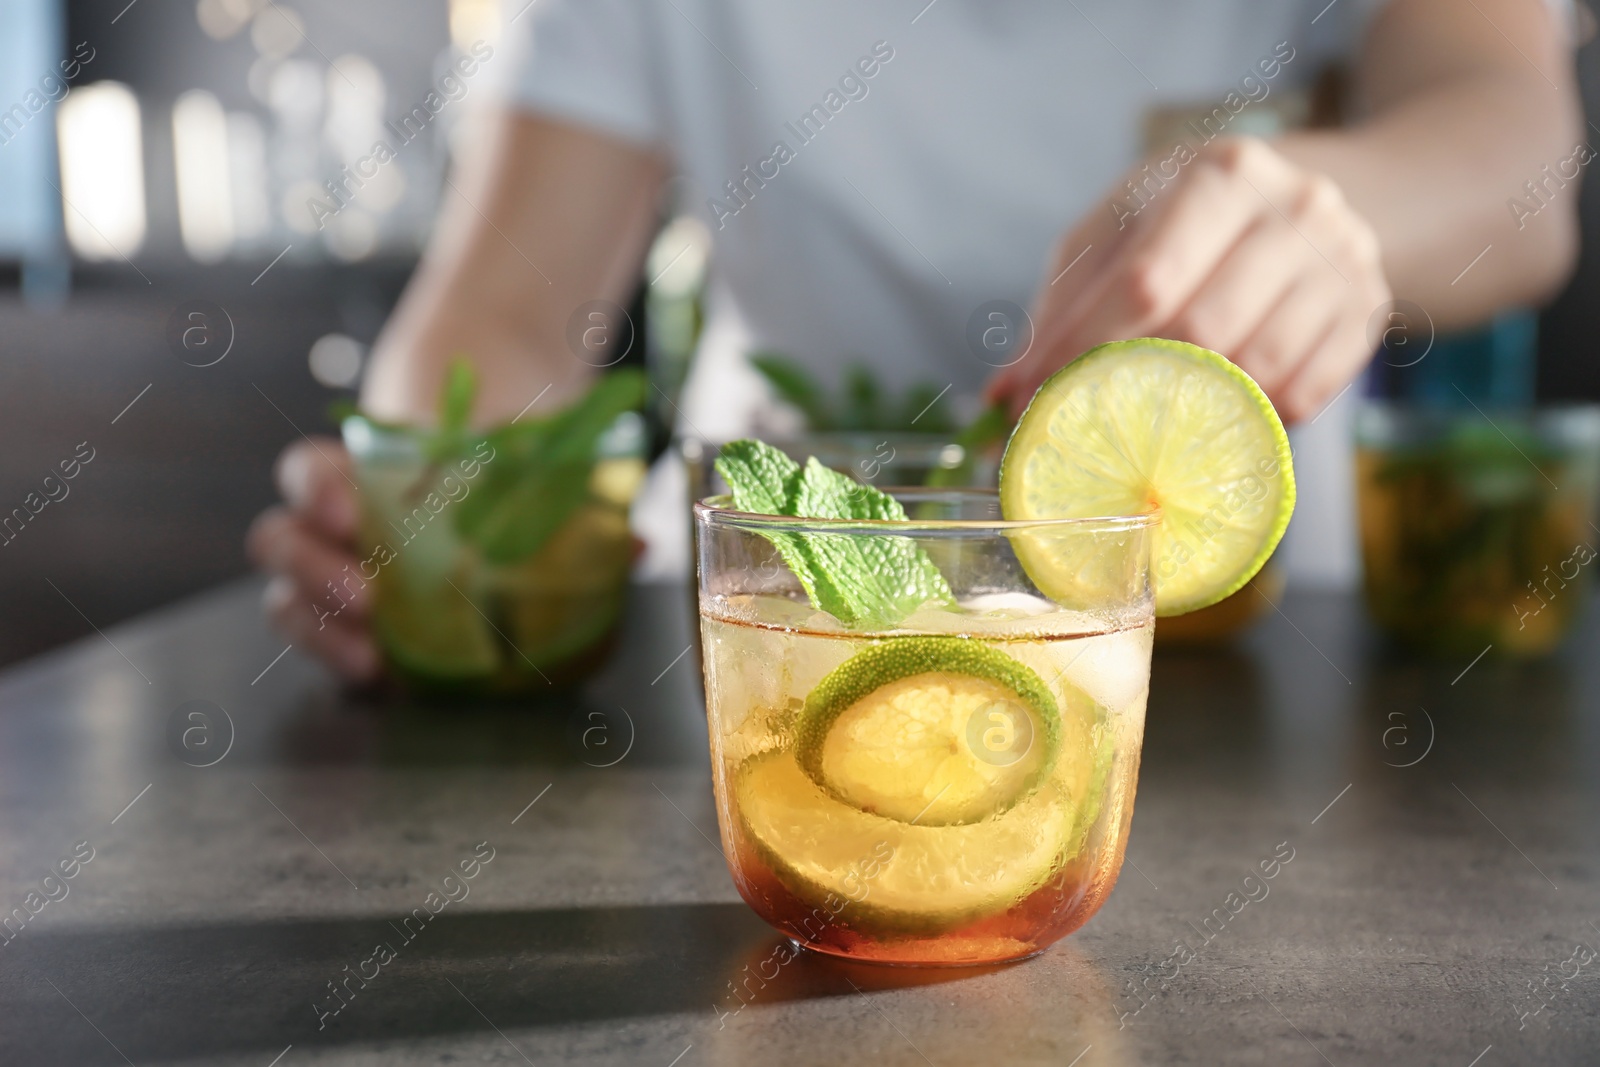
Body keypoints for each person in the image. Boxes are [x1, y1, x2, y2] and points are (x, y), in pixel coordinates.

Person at [248, 0, 1583, 681]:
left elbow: (1518, 148)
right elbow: (506, 309)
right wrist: (443, 522)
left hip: (1225, 629)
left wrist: (1337, 207)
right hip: (775, 606)